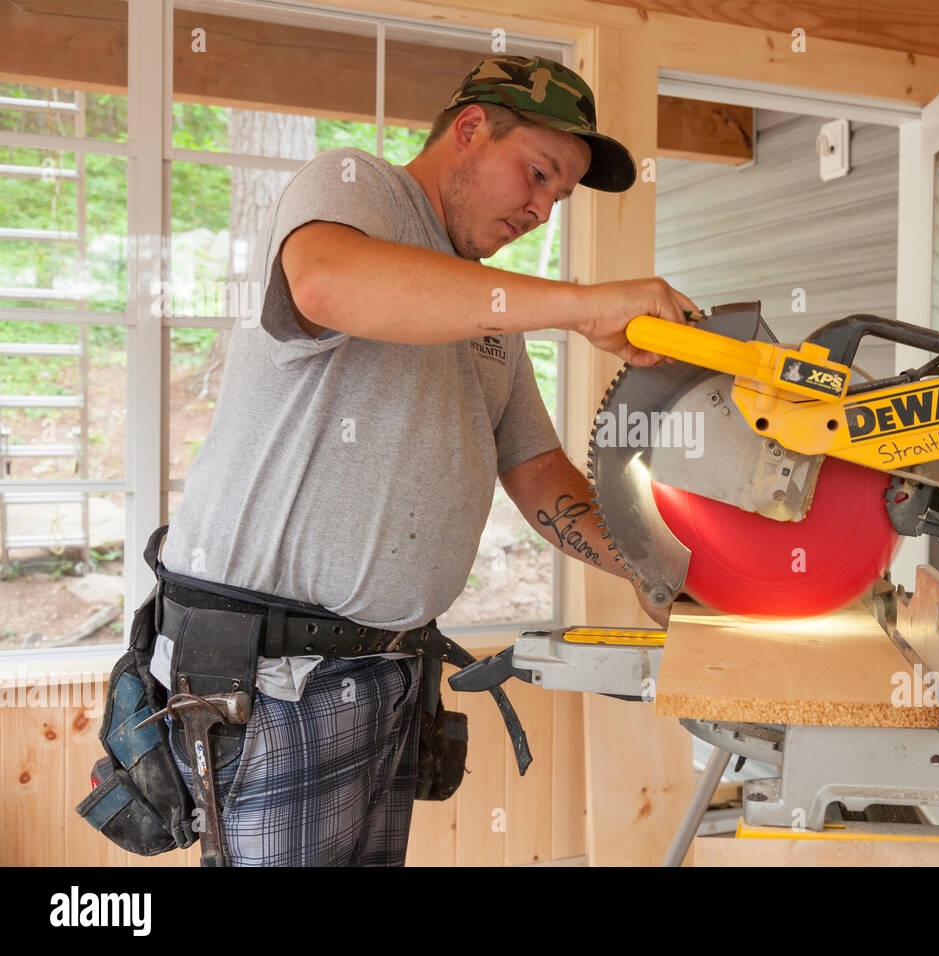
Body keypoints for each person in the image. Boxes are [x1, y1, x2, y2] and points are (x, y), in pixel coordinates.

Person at [152, 54, 698, 866]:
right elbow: (325, 283)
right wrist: (584, 305)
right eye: (538, 173)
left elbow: (538, 471)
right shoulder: (357, 187)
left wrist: (660, 568)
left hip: (386, 673)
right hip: (274, 677)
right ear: (471, 129)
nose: (543, 210)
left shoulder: (487, 312)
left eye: (559, 196)